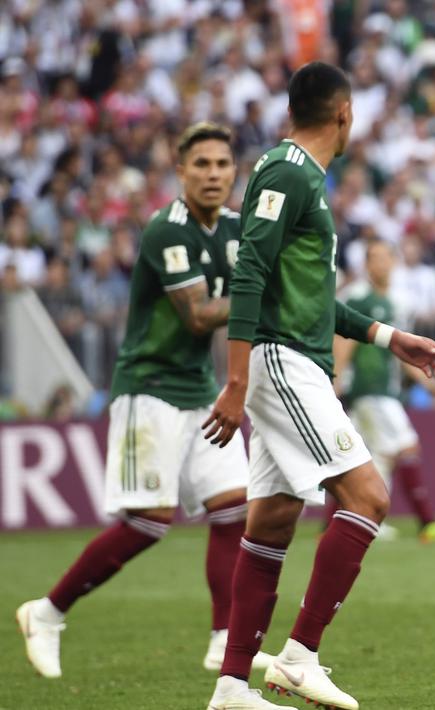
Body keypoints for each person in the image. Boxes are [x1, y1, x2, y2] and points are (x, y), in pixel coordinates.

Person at [200, 63, 435, 710]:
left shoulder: (298, 174)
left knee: (275, 518)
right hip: (282, 361)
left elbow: (311, 299)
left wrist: (387, 337)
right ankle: (299, 656)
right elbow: (250, 273)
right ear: (343, 113)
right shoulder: (287, 172)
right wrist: (234, 380)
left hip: (292, 353)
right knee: (367, 497)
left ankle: (232, 687)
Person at [16, 123, 276, 679]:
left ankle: (224, 637)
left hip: (200, 390)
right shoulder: (167, 229)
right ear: (180, 172)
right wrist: (260, 291)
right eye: (201, 164)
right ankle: (47, 611)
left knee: (234, 509)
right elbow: (199, 314)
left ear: (235, 173)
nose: (213, 175)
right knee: (148, 522)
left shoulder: (237, 227)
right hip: (148, 389)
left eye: (222, 165)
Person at [330, 239, 435, 543]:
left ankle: (357, 521)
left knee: (373, 458)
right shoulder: (359, 297)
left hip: (386, 387)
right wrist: (336, 380)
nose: (380, 264)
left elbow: (397, 350)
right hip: (367, 387)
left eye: (384, 257)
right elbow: (344, 341)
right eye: (374, 258)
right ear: (366, 264)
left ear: (393, 262)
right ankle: (427, 522)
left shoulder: (395, 301)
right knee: (406, 447)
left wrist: (427, 384)